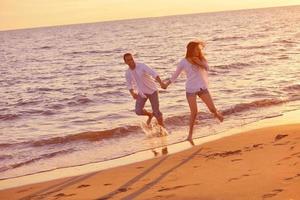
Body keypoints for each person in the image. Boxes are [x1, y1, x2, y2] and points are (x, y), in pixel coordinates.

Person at [164, 40, 223, 141]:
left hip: (202, 88)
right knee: (194, 112)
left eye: (199, 50)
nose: (198, 51)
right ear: (190, 50)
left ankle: (217, 114)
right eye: (196, 50)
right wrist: (166, 84)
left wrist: (199, 62)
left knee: (212, 109)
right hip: (191, 89)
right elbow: (175, 75)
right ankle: (190, 135)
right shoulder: (183, 61)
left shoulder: (201, 59)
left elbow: (207, 68)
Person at [124, 53, 166, 127]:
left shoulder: (142, 66)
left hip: (152, 91)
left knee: (156, 112)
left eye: (131, 59)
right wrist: (132, 93)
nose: (131, 61)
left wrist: (161, 83)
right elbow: (129, 85)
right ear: (126, 62)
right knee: (138, 111)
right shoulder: (128, 73)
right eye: (128, 60)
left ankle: (162, 128)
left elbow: (154, 73)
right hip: (142, 93)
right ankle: (150, 115)